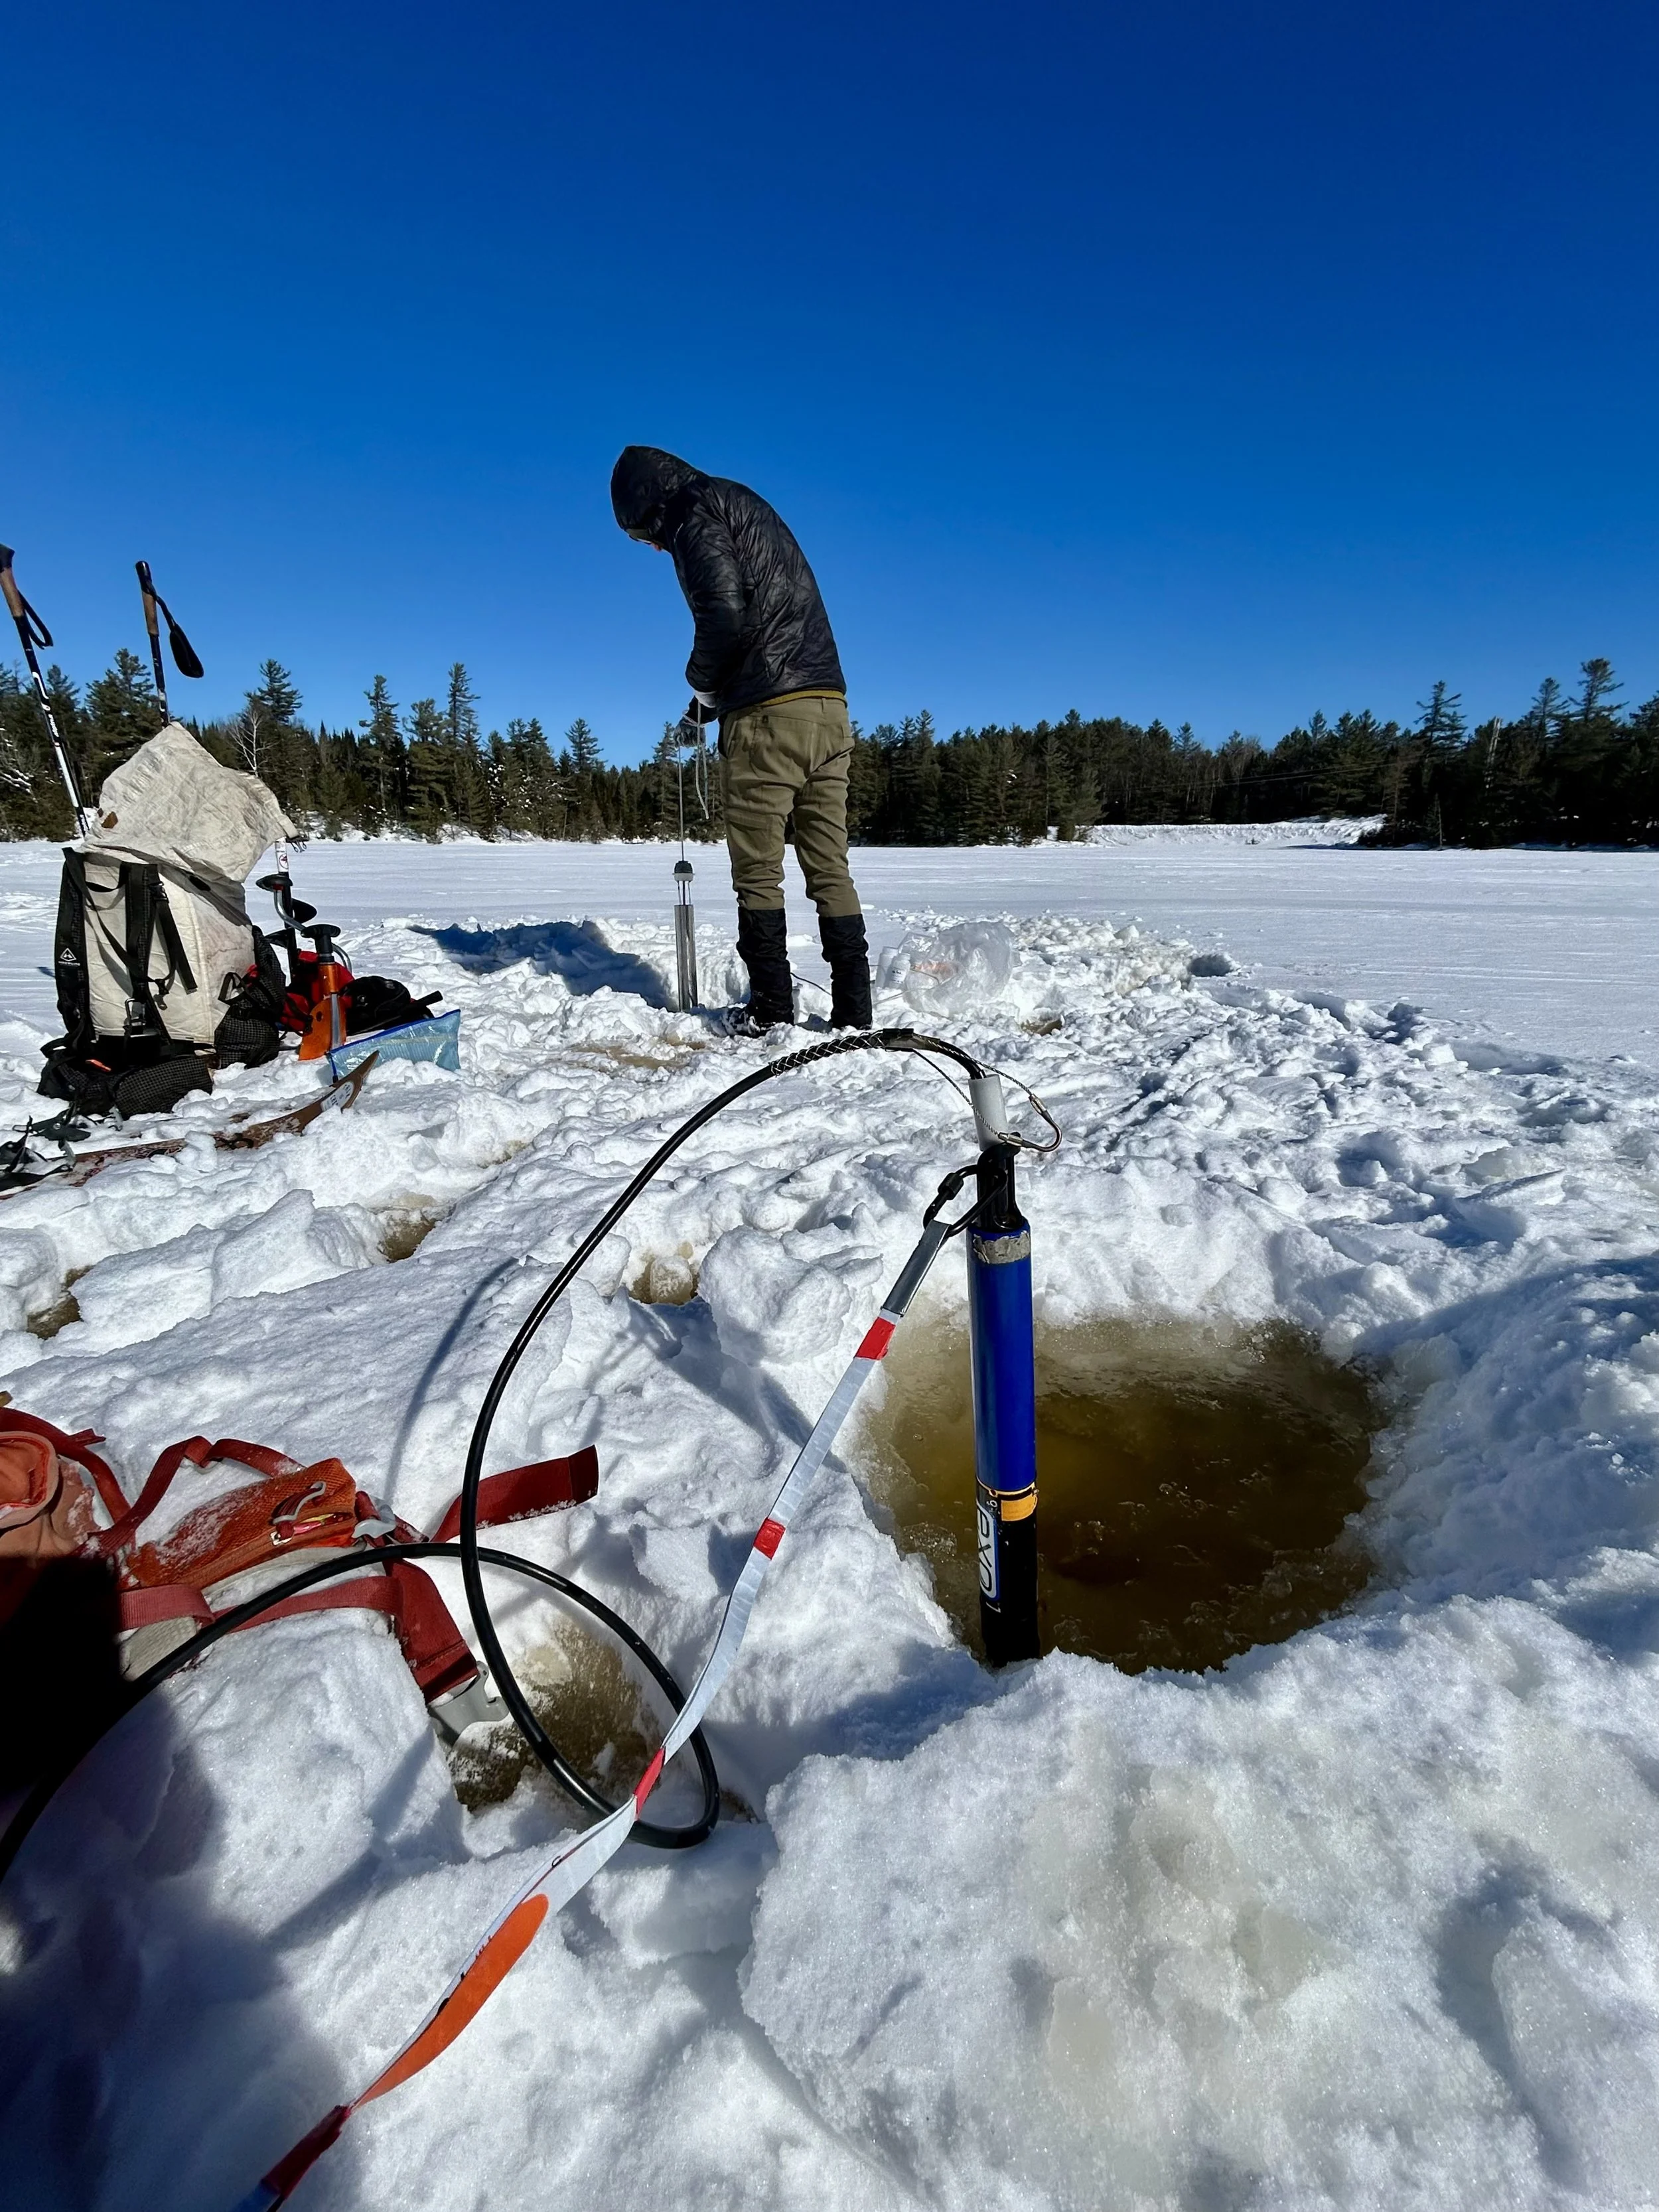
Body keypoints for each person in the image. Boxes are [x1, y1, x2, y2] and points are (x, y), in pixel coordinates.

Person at [611, 445, 871, 1032]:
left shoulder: (692, 513)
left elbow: (724, 615)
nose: (652, 547)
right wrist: (704, 706)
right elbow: (766, 622)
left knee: (758, 872)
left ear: (648, 506)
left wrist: (701, 685)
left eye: (640, 535)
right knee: (830, 866)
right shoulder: (738, 501)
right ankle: (856, 1014)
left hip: (768, 721)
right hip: (828, 708)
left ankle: (771, 1012)